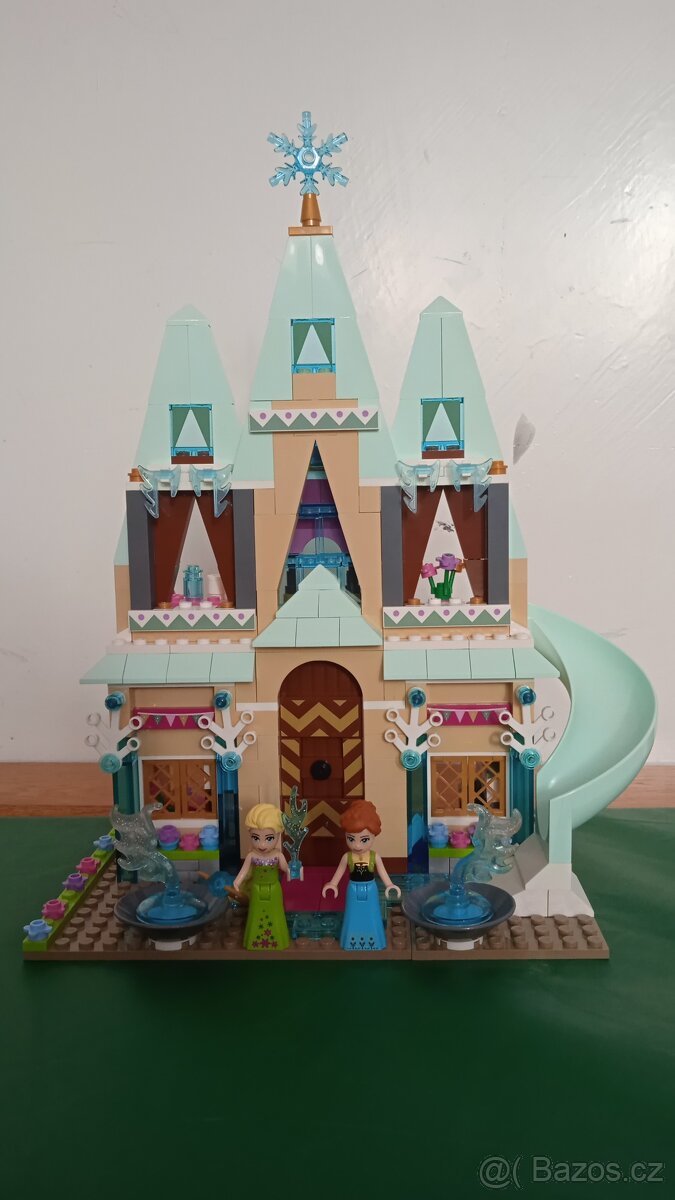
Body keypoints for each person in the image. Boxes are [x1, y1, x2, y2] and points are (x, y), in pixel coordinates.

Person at [321, 800, 401, 951]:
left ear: (373, 836)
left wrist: (389, 885)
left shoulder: (374, 857)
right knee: (352, 915)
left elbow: (382, 872)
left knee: (372, 914)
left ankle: (374, 941)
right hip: (353, 889)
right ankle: (351, 941)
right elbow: (339, 872)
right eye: (351, 839)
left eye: (364, 840)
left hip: (370, 890)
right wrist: (333, 884)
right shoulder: (347, 857)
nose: (357, 845)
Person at [233, 803, 291, 951]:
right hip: (257, 890)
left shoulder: (278, 855)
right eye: (256, 838)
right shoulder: (252, 856)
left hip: (274, 890)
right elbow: (244, 870)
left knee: (275, 914)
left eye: (269, 838)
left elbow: (286, 869)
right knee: (255, 914)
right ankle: (256, 941)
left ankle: (276, 940)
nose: (262, 844)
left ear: (278, 835)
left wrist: (295, 870)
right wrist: (237, 882)